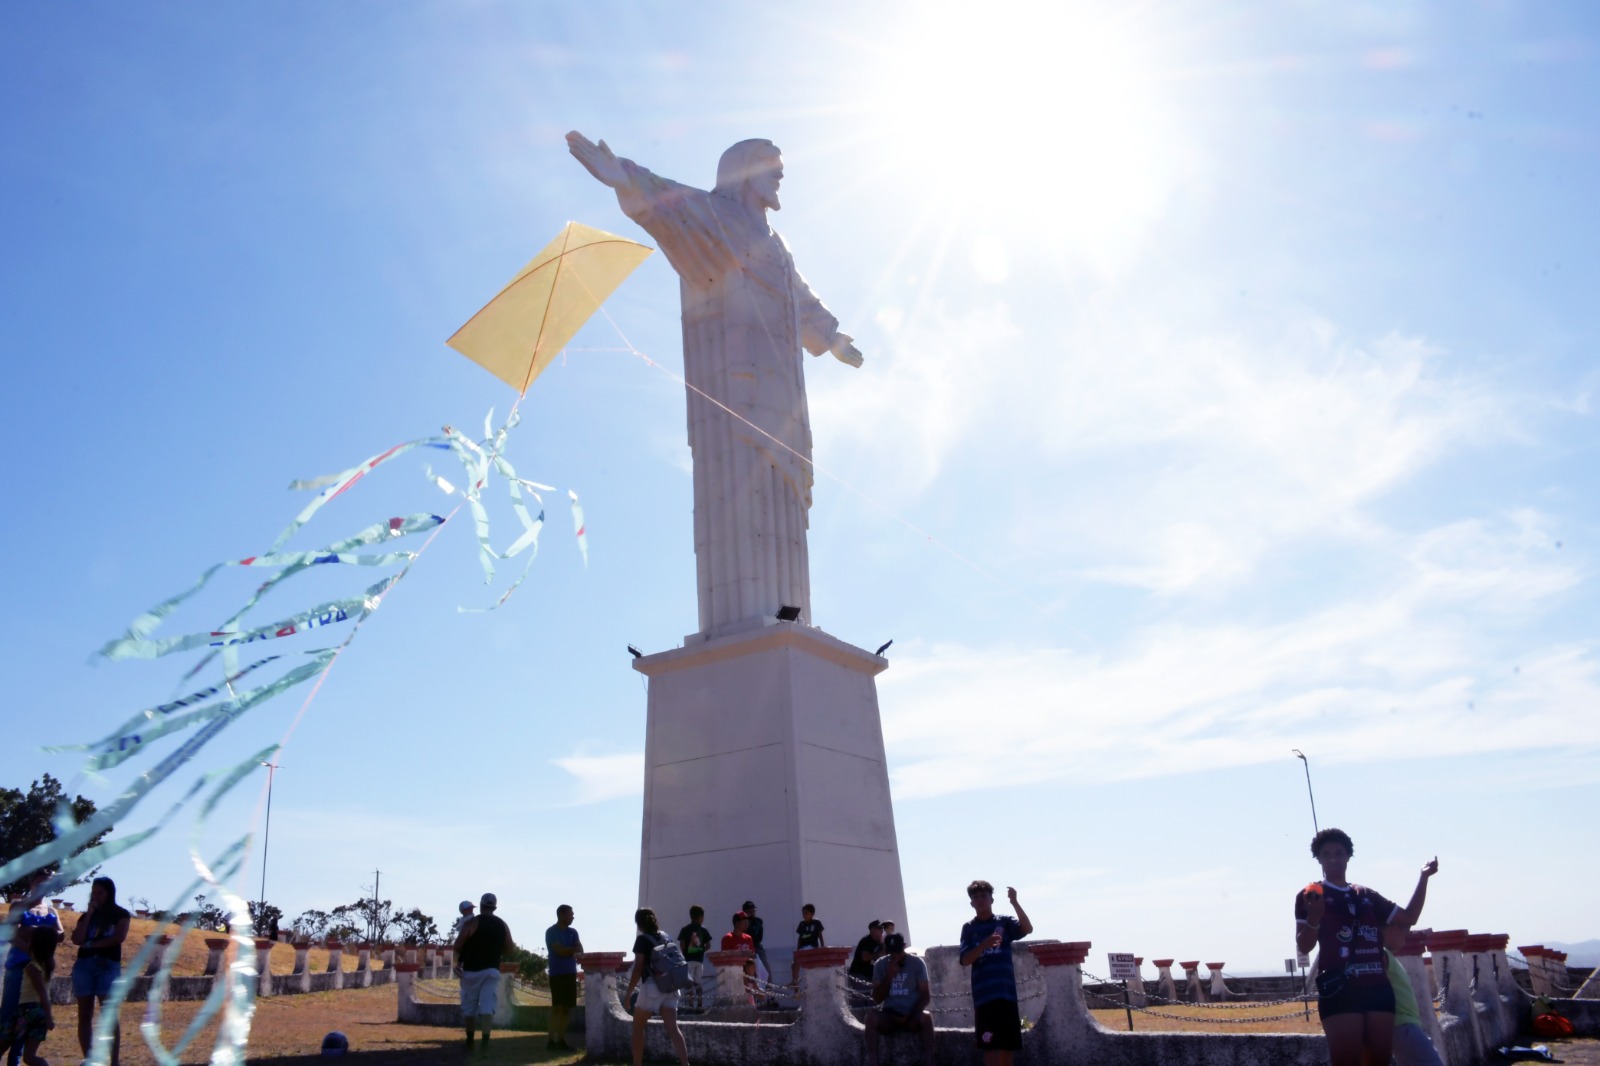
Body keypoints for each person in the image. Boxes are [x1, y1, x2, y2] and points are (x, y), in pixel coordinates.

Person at [567, 132, 864, 637]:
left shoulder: (776, 242)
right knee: (743, 483)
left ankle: (790, 618)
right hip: (736, 388)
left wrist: (832, 337)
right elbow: (668, 204)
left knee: (784, 491)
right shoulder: (716, 217)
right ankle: (747, 620)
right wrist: (625, 178)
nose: (779, 177)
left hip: (782, 389)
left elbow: (801, 297)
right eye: (771, 168)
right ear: (745, 172)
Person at [1293, 828, 1436, 1066]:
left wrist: (1424, 877)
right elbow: (1304, 946)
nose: (1333, 859)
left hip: (1378, 989)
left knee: (1377, 1061)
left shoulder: (1366, 894)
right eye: (1326, 854)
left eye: (1339, 853)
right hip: (1339, 989)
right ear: (1318, 859)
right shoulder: (1310, 895)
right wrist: (1314, 918)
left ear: (1348, 856)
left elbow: (1409, 917)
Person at [959, 880, 1032, 1066]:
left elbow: (1027, 929)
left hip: (1006, 995)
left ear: (991, 899)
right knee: (990, 1046)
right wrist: (984, 944)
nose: (980, 900)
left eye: (984, 896)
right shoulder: (969, 928)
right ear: (971, 903)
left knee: (1007, 1046)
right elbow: (965, 959)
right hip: (985, 999)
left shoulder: (1004, 922)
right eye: (975, 897)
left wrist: (1015, 902)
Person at [2, 870, 61, 1066]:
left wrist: (34, 933)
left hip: (40, 968)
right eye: (39, 881)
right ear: (31, 883)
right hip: (18, 966)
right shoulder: (19, 906)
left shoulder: (51, 912)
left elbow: (59, 934)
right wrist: (30, 948)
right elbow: (10, 932)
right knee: (9, 1014)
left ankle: (15, 1061)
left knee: (26, 1019)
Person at [70, 876, 129, 1066]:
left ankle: (114, 1061)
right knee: (84, 1014)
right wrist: (88, 914)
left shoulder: (121, 914)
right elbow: (76, 939)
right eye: (93, 893)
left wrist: (92, 945)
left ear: (109, 893)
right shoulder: (87, 915)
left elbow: (118, 937)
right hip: (84, 966)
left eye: (100, 893)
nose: (96, 896)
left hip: (108, 966)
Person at [623, 908, 689, 1066]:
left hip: (652, 987)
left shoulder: (642, 940)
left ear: (638, 923)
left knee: (638, 1027)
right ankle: (685, 1064)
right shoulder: (665, 935)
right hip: (672, 986)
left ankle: (637, 1064)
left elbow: (638, 967)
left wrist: (628, 993)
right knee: (673, 1028)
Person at [454, 892, 514, 1055]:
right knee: (487, 1006)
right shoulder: (502, 924)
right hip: (492, 970)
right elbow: (510, 948)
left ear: (480, 906)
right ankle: (485, 1043)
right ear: (494, 907)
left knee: (469, 1007)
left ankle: (470, 1040)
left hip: (472, 972)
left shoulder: (472, 923)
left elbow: (458, 945)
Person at [867, 932, 933, 1066]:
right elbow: (877, 999)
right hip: (890, 1015)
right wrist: (889, 976)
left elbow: (925, 997)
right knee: (870, 1018)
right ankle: (873, 1062)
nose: (895, 956)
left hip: (912, 1015)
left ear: (904, 946)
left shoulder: (917, 963)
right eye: (891, 952)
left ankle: (930, 1061)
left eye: (898, 951)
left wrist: (911, 1014)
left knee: (926, 1017)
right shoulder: (880, 964)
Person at [0, 928, 55, 1066]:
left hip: (27, 1011)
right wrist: (47, 1016)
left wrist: (49, 1017)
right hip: (39, 1013)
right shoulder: (48, 963)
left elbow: (42, 993)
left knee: (3, 1043)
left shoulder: (32, 967)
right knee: (30, 1057)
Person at [544, 904, 583, 1051]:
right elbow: (559, 951)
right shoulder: (551, 931)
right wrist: (571, 950)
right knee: (557, 1007)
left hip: (570, 973)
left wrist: (569, 950)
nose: (572, 917)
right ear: (561, 915)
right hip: (557, 973)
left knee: (566, 1008)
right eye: (570, 914)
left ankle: (561, 1039)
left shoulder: (573, 932)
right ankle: (550, 1040)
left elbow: (580, 950)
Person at [677, 906, 711, 1011]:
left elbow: (682, 944)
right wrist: (700, 951)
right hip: (699, 961)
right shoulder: (703, 930)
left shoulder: (685, 929)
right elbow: (708, 945)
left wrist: (685, 954)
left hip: (689, 960)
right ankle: (700, 1005)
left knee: (689, 984)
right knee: (697, 983)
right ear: (701, 917)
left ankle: (690, 1006)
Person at [848, 920, 885, 1002]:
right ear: (872, 930)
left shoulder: (879, 943)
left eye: (882, 928)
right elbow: (865, 957)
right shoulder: (866, 940)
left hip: (870, 977)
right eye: (879, 928)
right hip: (860, 974)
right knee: (860, 1000)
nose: (881, 930)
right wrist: (877, 954)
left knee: (872, 1001)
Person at [791, 903, 825, 983]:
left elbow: (820, 935)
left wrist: (822, 946)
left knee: (812, 966)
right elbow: (800, 938)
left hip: (812, 946)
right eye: (803, 913)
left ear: (812, 914)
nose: (804, 915)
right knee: (794, 964)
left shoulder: (816, 923)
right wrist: (798, 949)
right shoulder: (802, 924)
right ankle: (795, 982)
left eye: (806, 913)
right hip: (803, 947)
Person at [741, 901, 770, 980]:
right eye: (749, 911)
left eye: (752, 910)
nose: (751, 912)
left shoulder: (758, 921)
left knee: (766, 969)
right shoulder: (742, 923)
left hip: (757, 947)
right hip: (746, 948)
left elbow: (757, 937)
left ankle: (769, 987)